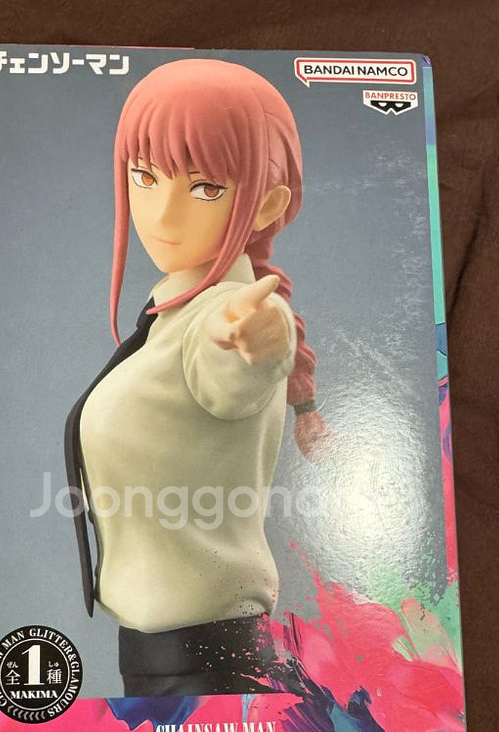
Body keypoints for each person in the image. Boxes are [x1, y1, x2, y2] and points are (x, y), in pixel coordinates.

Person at [65, 58, 324, 697]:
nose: (162, 215)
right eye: (145, 177)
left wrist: (263, 342)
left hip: (204, 663)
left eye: (205, 188)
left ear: (265, 204)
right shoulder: (172, 313)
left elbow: (237, 362)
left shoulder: (225, 313)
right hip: (168, 655)